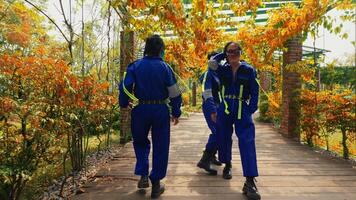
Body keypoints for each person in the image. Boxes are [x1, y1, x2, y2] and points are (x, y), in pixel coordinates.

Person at [119, 34, 182, 199]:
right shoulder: (165, 67)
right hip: (160, 109)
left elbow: (125, 86)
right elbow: (174, 92)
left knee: (140, 142)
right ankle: (156, 184)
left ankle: (143, 174)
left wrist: (125, 102)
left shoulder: (135, 66)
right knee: (161, 145)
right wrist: (176, 112)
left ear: (145, 49)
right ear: (161, 50)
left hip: (141, 109)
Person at [208, 42, 261, 200]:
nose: (233, 54)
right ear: (225, 54)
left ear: (240, 52)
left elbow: (255, 91)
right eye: (229, 52)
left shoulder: (249, 70)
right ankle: (227, 164)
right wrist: (223, 55)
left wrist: (250, 109)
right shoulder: (222, 69)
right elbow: (211, 63)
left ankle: (250, 181)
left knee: (247, 141)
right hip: (224, 107)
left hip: (241, 108)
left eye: (236, 51)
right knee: (223, 137)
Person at [197, 52, 222, 175]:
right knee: (218, 132)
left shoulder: (217, 74)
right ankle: (204, 160)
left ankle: (211, 156)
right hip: (210, 106)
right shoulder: (208, 74)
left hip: (219, 106)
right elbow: (206, 92)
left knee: (219, 132)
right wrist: (212, 110)